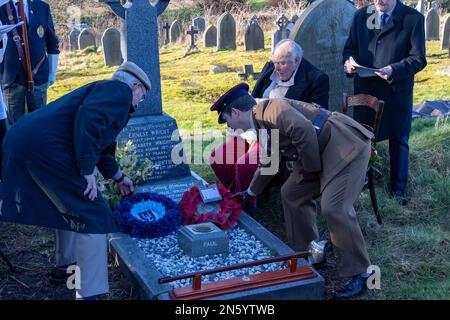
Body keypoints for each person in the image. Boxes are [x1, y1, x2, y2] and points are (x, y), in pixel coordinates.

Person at [0, 61, 151, 300]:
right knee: (93, 212)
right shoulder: (118, 91)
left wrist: (119, 177)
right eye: (141, 97)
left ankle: (66, 267)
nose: (138, 103)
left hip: (27, 141)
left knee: (70, 206)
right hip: (45, 147)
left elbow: (102, 148)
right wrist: (87, 171)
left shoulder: (106, 98)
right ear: (134, 85)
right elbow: (88, 118)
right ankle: (90, 292)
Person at [211, 83, 374, 298]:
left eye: (227, 120)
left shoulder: (272, 109)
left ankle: (360, 274)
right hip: (321, 151)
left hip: (344, 146)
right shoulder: (261, 122)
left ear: (235, 112)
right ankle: (307, 254)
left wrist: (310, 171)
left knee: (334, 208)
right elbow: (270, 160)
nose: (229, 127)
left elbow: (303, 130)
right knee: (291, 193)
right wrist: (250, 192)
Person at [209, 39, 329, 204]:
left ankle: (246, 204)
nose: (277, 68)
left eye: (282, 63)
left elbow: (314, 118)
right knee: (218, 157)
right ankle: (236, 194)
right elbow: (251, 100)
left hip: (277, 135)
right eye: (275, 62)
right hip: (253, 127)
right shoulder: (270, 69)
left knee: (245, 165)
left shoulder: (316, 79)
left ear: (297, 60)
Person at [342, 0, 427, 204]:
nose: (379, 1)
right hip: (365, 90)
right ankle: (362, 181)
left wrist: (393, 70)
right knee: (362, 137)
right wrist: (348, 64)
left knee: (398, 139)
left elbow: (418, 58)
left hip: (395, 91)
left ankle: (398, 190)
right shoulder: (361, 16)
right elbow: (349, 49)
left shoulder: (413, 18)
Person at [0, 0, 60, 124]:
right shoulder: (1, 7)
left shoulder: (42, 7)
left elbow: (52, 43)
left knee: (39, 123)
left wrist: (52, 73)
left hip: (38, 76)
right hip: (11, 78)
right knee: (13, 126)